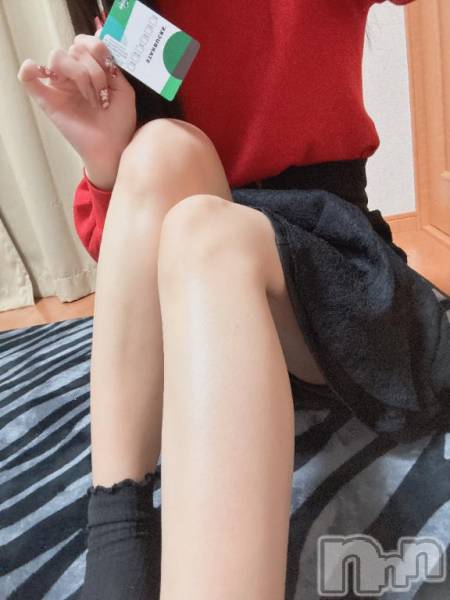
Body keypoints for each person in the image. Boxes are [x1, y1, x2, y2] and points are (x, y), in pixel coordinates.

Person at [16, 0, 450, 598]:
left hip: (326, 268)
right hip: (203, 305)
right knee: (161, 150)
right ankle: (119, 534)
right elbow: (126, 265)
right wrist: (107, 160)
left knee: (205, 234)